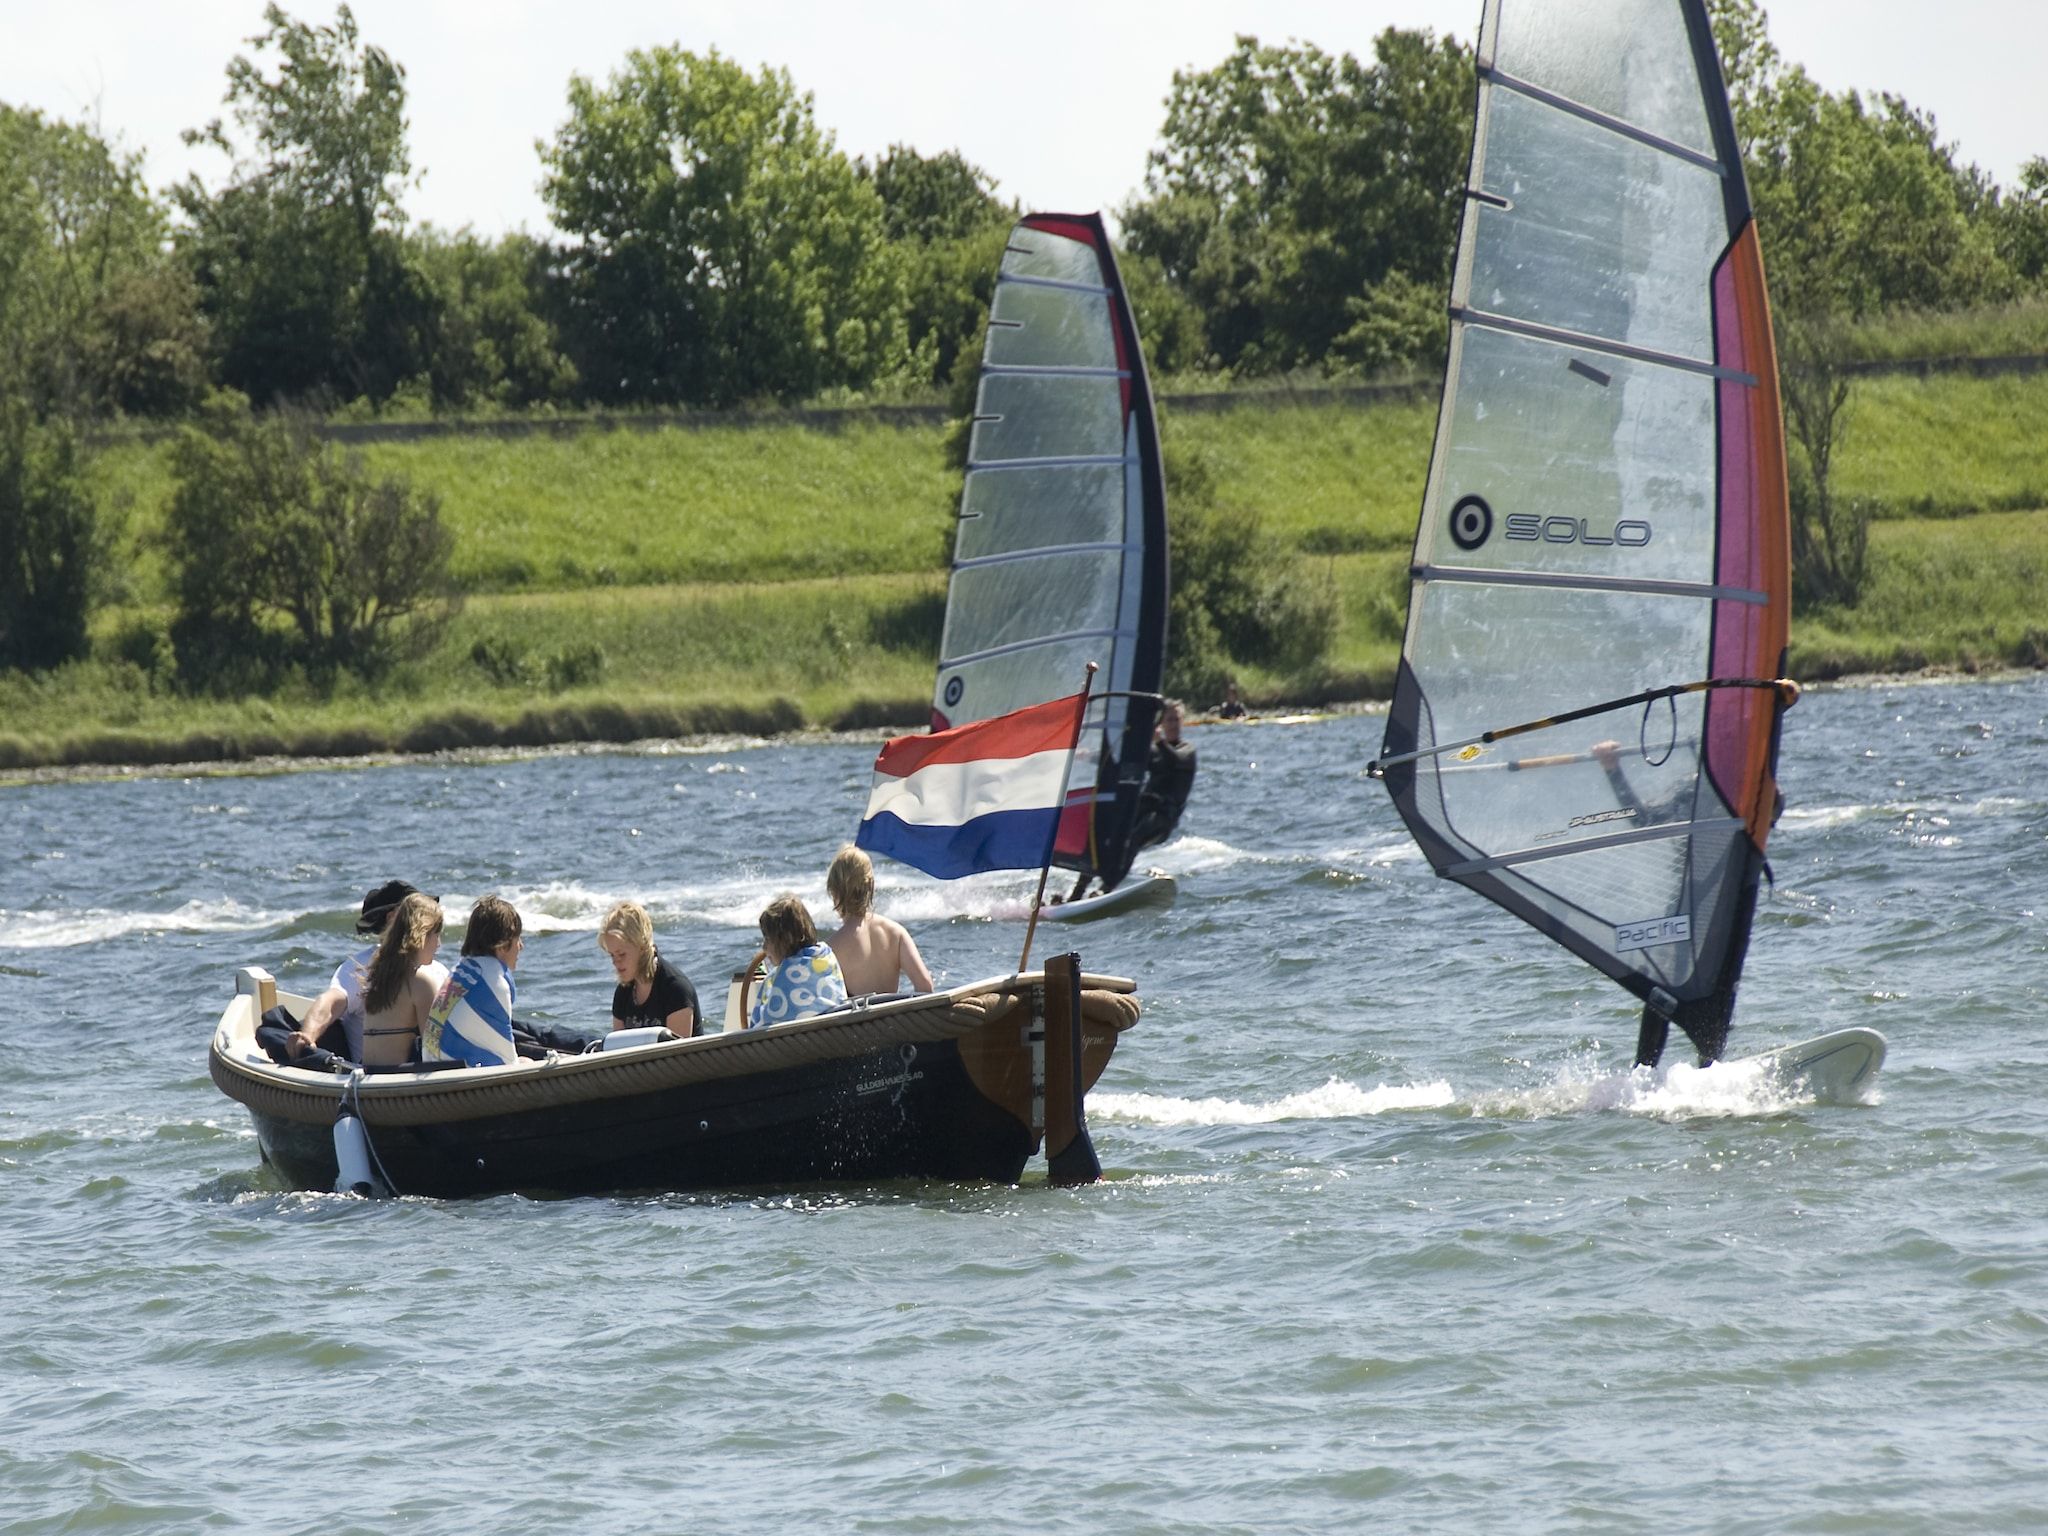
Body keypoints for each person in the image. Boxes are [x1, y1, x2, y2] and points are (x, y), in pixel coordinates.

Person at [260, 879, 447, 1067]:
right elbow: (331, 1002)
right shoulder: (364, 966)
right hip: (379, 1070)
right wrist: (307, 1035)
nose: (439, 943)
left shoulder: (431, 968)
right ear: (393, 917)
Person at [1068, 698, 1198, 900]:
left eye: (1176, 720)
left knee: (1130, 840)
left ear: (1182, 722)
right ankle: (1077, 892)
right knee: (1102, 837)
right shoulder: (1154, 751)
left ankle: (1105, 889)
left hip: (1163, 818)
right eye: (1168, 720)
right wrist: (1091, 756)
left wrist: (1159, 741)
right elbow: (1123, 760)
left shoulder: (1187, 750)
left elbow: (1176, 761)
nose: (1172, 724)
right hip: (1143, 809)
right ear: (1162, 724)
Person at [424, 895, 527, 1068]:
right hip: (460, 1076)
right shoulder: (496, 980)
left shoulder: (462, 968)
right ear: (502, 944)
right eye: (518, 939)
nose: (521, 946)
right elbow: (508, 1058)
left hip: (431, 1065)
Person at [824, 845, 933, 998]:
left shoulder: (830, 950)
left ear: (833, 890)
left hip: (857, 1021)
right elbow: (925, 986)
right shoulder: (896, 932)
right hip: (895, 1019)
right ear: (871, 887)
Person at [357, 893, 447, 1067]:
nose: (439, 944)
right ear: (423, 933)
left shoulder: (380, 972)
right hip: (399, 1081)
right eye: (436, 934)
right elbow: (435, 1051)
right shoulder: (421, 981)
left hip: (371, 1076)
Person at [599, 899, 702, 1036]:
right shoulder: (623, 992)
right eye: (611, 956)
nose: (616, 963)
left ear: (642, 946)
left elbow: (678, 1054)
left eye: (621, 954)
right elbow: (617, 1048)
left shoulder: (676, 989)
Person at [747, 893, 849, 1028]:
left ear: (787, 939)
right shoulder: (826, 957)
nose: (764, 947)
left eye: (768, 939)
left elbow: (765, 1025)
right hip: (834, 1032)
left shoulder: (786, 976)